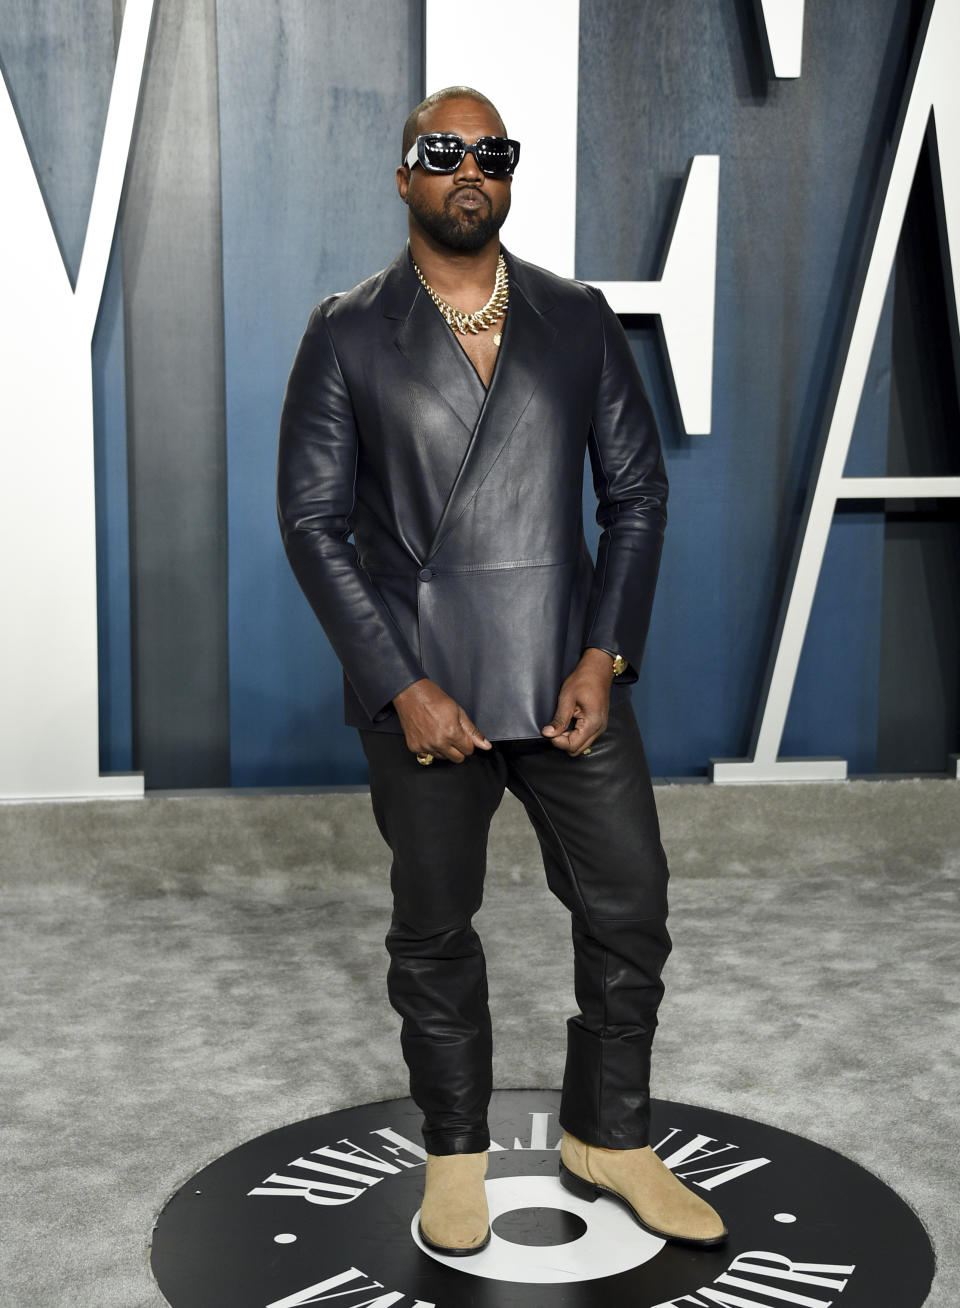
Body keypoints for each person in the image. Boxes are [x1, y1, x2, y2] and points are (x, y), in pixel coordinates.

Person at [277, 86, 726, 1258]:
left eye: (492, 151)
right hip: (426, 690)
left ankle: (610, 1136)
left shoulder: (578, 319)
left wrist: (602, 648)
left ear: (510, 175)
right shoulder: (346, 330)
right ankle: (456, 1154)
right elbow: (313, 524)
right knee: (435, 926)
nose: (468, 168)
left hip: (567, 677)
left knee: (631, 908)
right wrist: (398, 682)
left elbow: (635, 495)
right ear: (403, 176)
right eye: (442, 151)